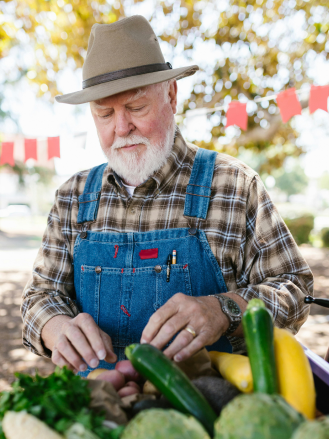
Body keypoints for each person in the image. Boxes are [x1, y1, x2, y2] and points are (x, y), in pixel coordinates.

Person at [21, 15, 313, 388]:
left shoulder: (234, 185)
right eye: (105, 114)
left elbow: (295, 289)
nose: (121, 128)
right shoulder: (72, 198)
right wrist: (54, 326)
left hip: (213, 415)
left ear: (171, 95)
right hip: (102, 416)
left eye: (136, 108)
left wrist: (224, 310)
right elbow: (39, 297)